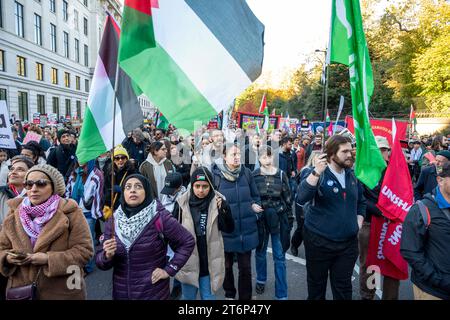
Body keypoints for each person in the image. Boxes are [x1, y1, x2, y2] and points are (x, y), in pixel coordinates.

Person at [0, 164, 93, 299]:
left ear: (54, 187)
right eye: (29, 184)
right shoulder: (14, 213)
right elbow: (2, 248)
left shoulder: (71, 212)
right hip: (21, 290)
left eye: (41, 183)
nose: (33, 189)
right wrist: (8, 258)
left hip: (62, 290)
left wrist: (48, 259)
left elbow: (84, 251)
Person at [95, 174, 195, 300]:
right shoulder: (114, 220)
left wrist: (169, 270)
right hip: (121, 294)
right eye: (128, 187)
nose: (132, 190)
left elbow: (187, 242)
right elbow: (100, 262)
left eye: (138, 187)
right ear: (124, 193)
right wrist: (106, 256)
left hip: (153, 293)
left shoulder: (159, 216)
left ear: (146, 191)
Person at [297, 135, 366, 300]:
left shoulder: (353, 175)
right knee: (316, 287)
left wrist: (358, 222)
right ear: (331, 154)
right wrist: (316, 172)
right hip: (318, 241)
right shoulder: (317, 172)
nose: (350, 155)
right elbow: (301, 197)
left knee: (343, 289)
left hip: (347, 245)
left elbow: (361, 201)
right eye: (345, 151)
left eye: (351, 150)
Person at [211, 143, 263, 300]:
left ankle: (245, 299)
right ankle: (229, 294)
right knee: (226, 266)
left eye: (239, 154)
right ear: (224, 156)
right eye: (233, 154)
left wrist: (255, 209)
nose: (237, 157)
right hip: (226, 230)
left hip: (246, 230)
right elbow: (208, 202)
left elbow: (256, 196)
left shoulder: (246, 173)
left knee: (245, 268)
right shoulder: (215, 176)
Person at [174, 167, 234, 300]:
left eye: (205, 186)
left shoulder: (218, 201)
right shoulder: (181, 203)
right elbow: (173, 234)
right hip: (189, 263)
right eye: (197, 186)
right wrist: (179, 252)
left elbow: (229, 228)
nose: (201, 190)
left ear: (211, 186)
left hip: (209, 263)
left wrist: (225, 209)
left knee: (208, 297)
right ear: (192, 185)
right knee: (188, 298)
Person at [358, 136, 401, 300]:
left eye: (385, 149)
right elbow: (361, 200)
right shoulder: (364, 171)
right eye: (379, 150)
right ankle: (368, 295)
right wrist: (381, 212)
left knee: (392, 263)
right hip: (370, 224)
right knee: (371, 264)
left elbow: (403, 194)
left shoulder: (396, 170)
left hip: (393, 226)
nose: (382, 153)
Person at [401, 162, 450, 300]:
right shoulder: (421, 210)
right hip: (433, 292)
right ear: (440, 180)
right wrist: (438, 279)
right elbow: (410, 251)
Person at [252, 146, 292, 300]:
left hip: (278, 220)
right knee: (260, 253)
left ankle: (281, 294)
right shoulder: (254, 175)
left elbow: (288, 199)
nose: (267, 159)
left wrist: (288, 220)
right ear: (259, 158)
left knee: (279, 257)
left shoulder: (281, 175)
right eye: (263, 157)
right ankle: (261, 279)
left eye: (269, 156)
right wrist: (252, 205)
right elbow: (250, 196)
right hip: (260, 221)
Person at [65, 160, 104, 274]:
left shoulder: (96, 175)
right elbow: (68, 191)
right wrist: (67, 208)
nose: (82, 161)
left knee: (88, 240)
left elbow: (98, 195)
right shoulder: (74, 173)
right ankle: (77, 262)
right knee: (74, 239)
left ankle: (88, 266)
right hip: (73, 211)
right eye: (79, 158)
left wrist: (96, 214)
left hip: (87, 214)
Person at [290, 150, 322, 257]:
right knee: (301, 228)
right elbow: (304, 190)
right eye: (319, 158)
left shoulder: (324, 171)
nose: (321, 161)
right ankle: (294, 244)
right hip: (302, 205)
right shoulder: (307, 170)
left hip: (315, 205)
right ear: (313, 159)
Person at [0, 156, 35, 226]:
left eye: (20, 170)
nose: (13, 172)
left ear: (31, 173)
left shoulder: (36, 194)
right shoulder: (1, 193)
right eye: (11, 169)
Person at [103, 145, 138, 214]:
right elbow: (105, 189)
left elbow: (136, 188)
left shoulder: (132, 171)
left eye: (123, 157)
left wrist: (121, 189)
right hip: (112, 207)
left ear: (127, 159)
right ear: (113, 160)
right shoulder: (109, 171)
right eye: (117, 158)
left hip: (127, 207)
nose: (120, 160)